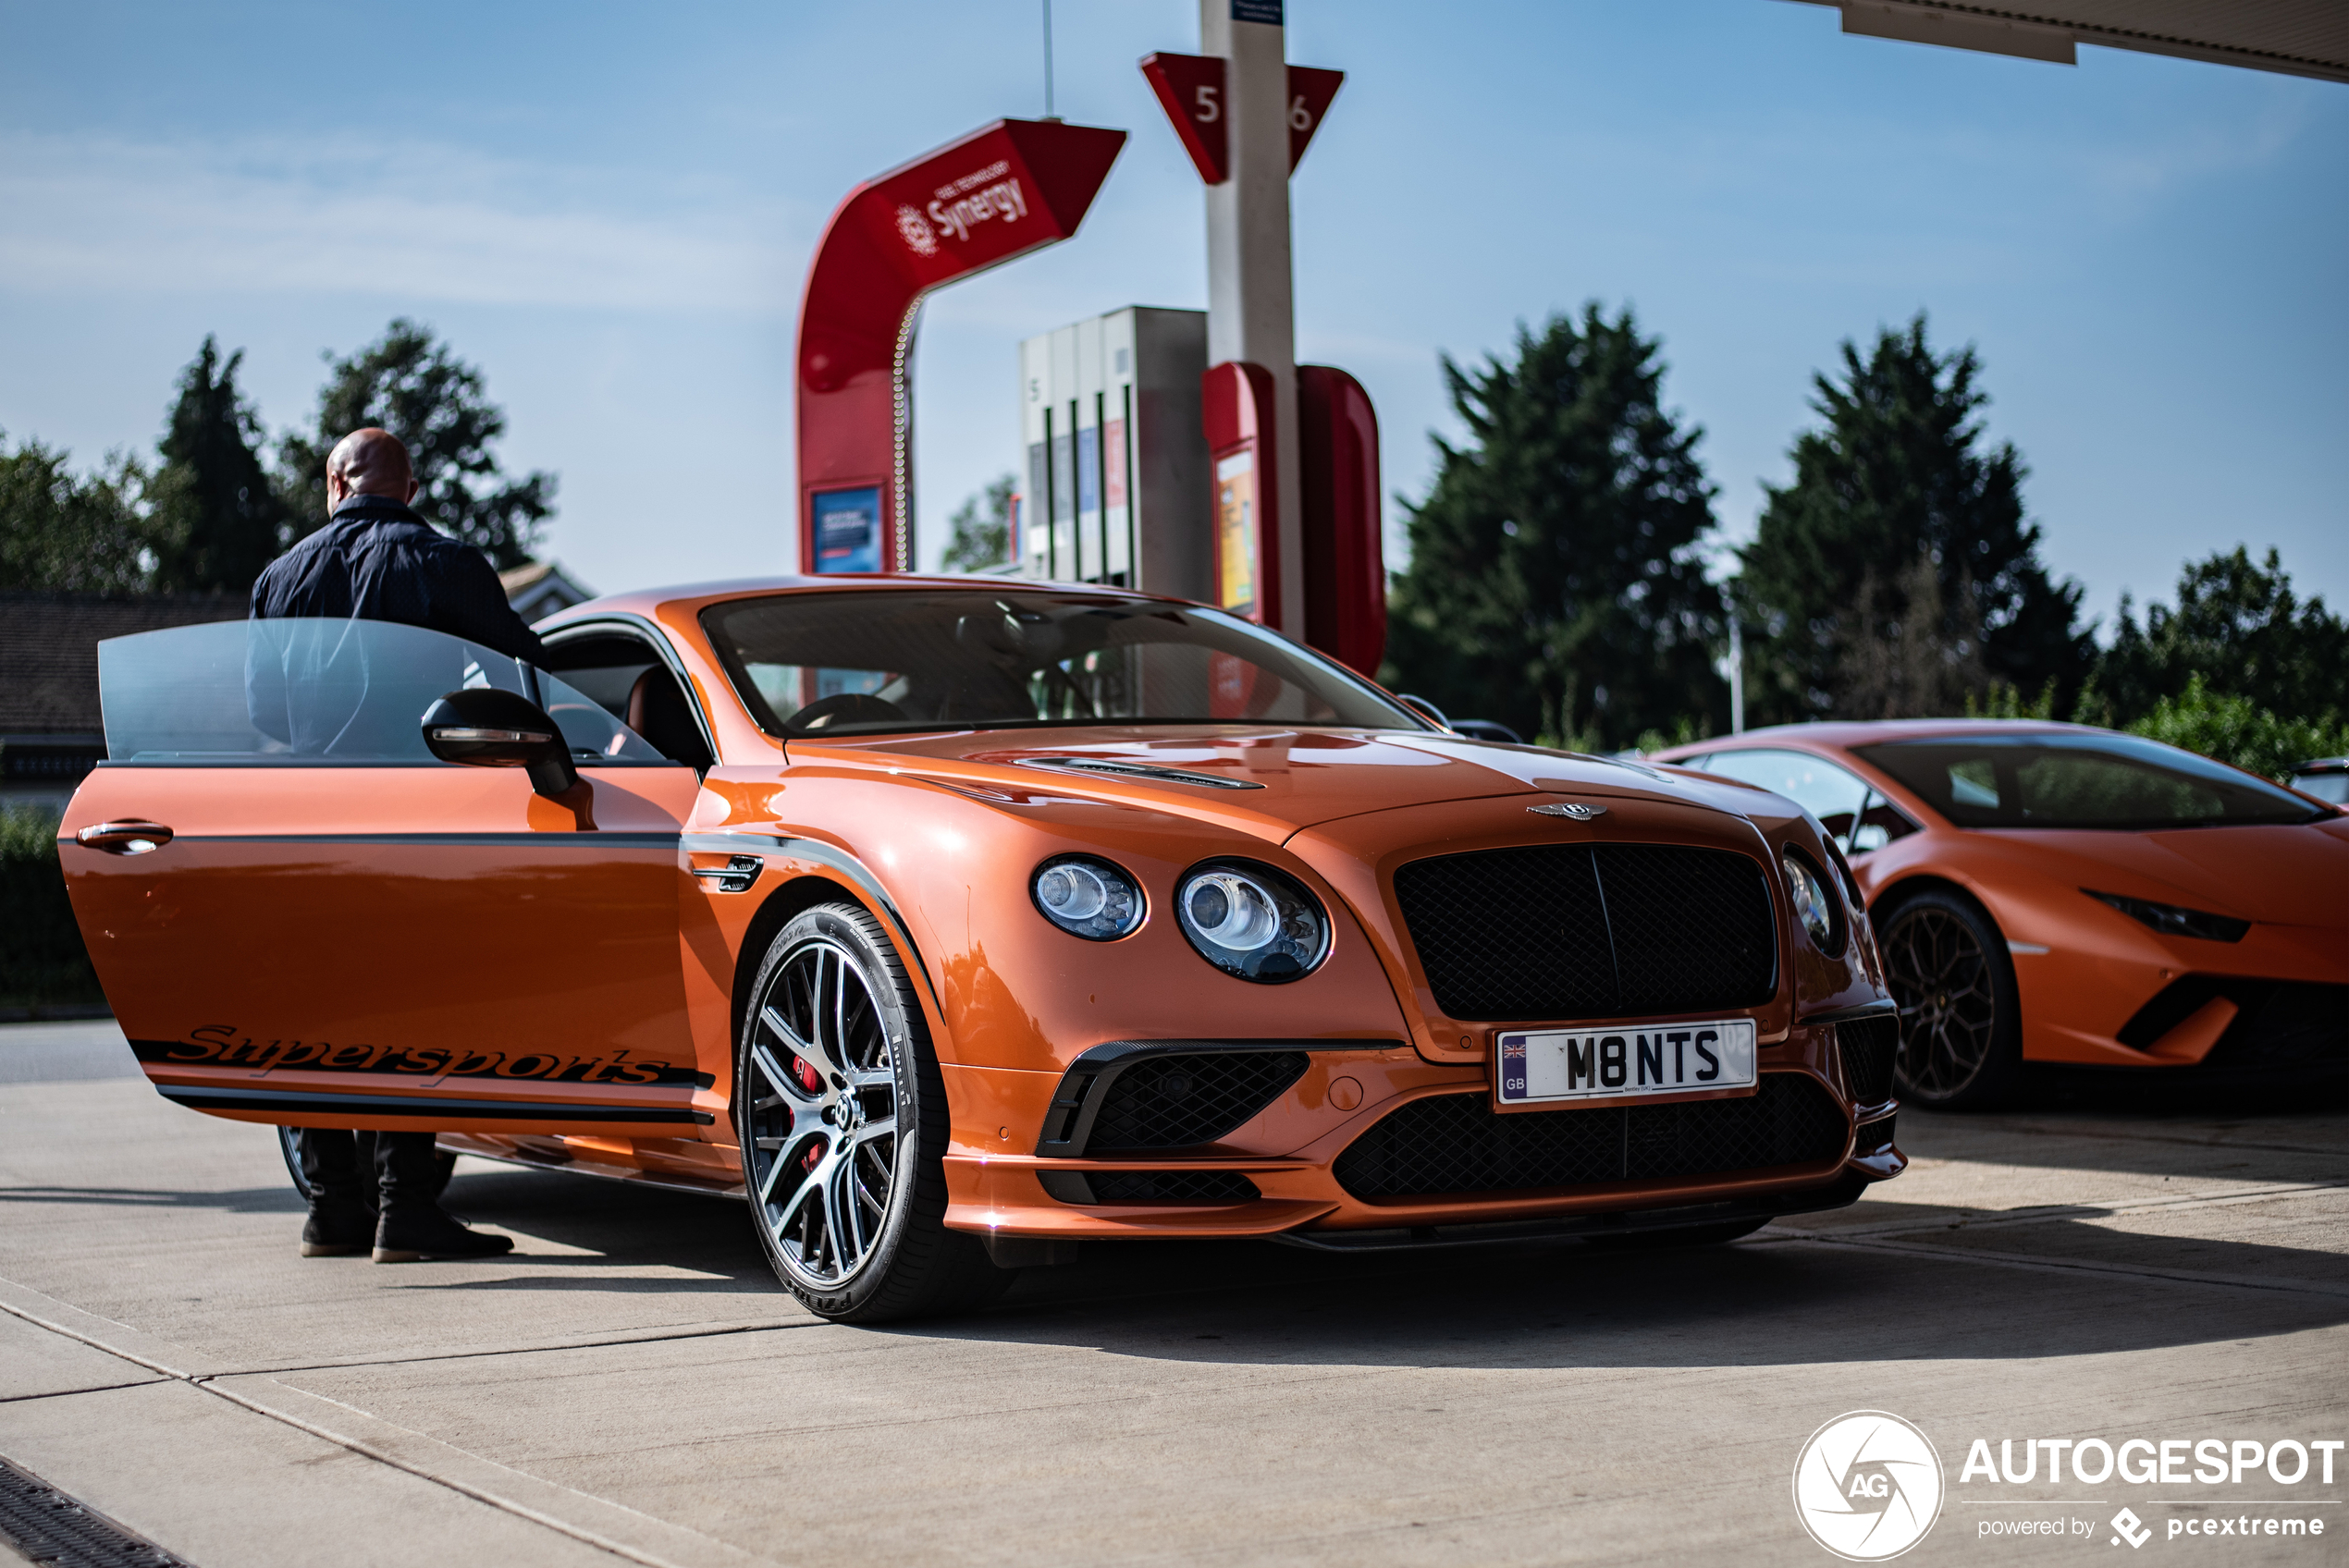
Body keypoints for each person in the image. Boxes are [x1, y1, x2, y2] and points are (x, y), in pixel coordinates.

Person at [251, 428, 539, 1264]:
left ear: (332, 485)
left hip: (302, 821)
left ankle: (332, 1209)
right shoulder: (447, 564)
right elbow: (525, 671)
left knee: (316, 1008)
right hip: (415, 817)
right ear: (409, 488)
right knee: (417, 1005)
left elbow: (263, 714)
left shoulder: (281, 576)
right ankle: (404, 1210)